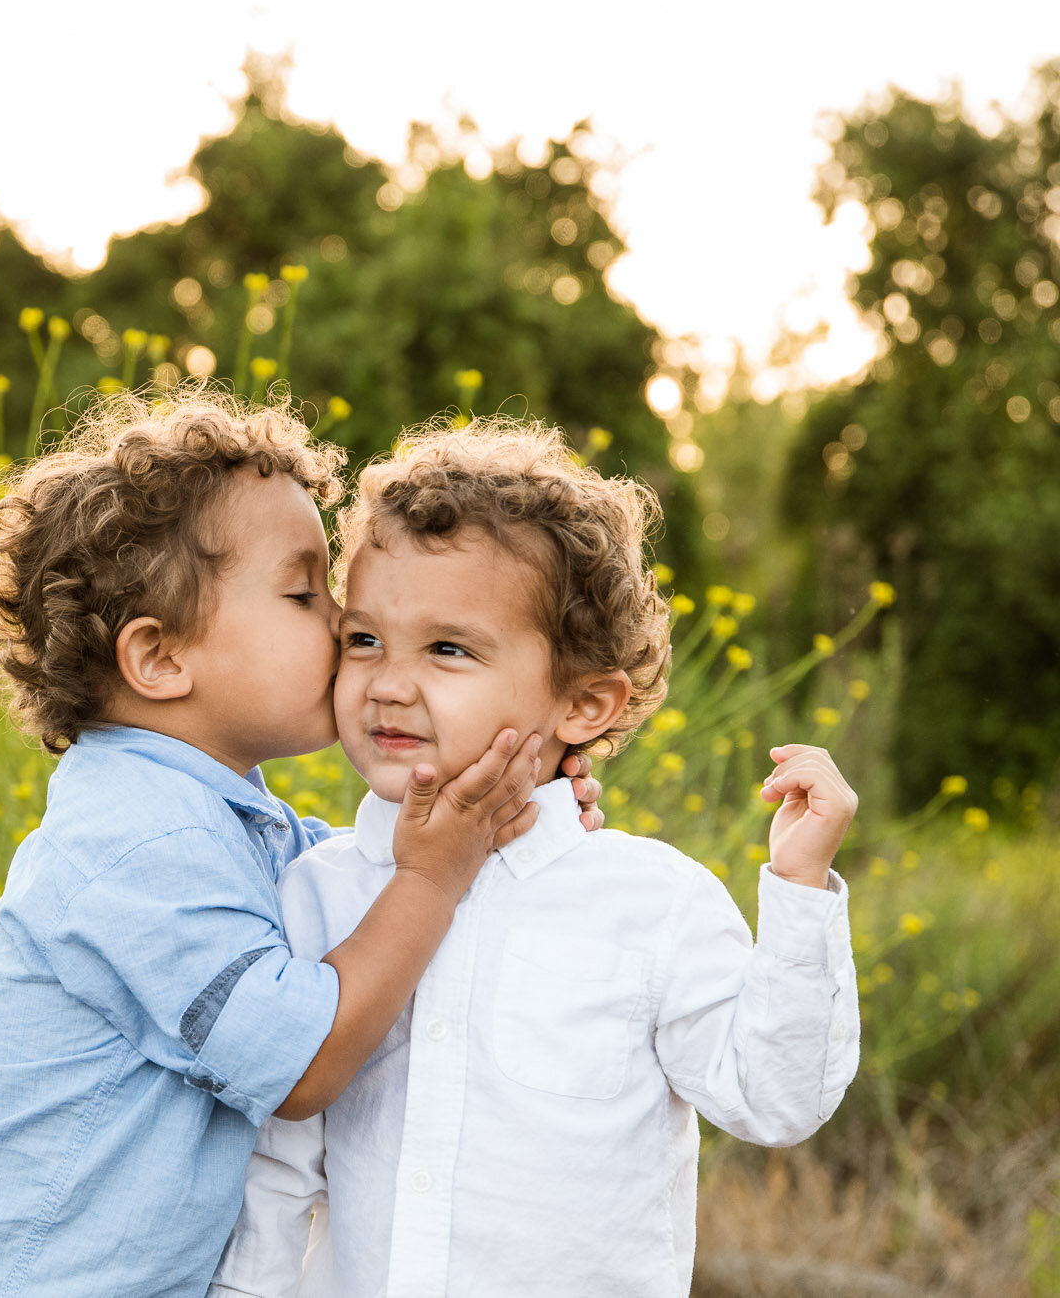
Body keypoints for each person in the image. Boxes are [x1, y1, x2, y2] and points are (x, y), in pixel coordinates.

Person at [0, 390, 603, 1296]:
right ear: (159, 659)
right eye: (307, 593)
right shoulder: (133, 845)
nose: (342, 623)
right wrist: (434, 873)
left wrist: (517, 807)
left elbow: (358, 874)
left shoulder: (228, 822)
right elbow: (305, 1062)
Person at [209, 418, 862, 1298]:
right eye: (364, 639)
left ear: (585, 702)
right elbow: (275, 1175)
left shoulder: (652, 901)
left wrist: (799, 885)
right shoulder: (312, 891)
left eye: (449, 648)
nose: (389, 682)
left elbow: (774, 1098)